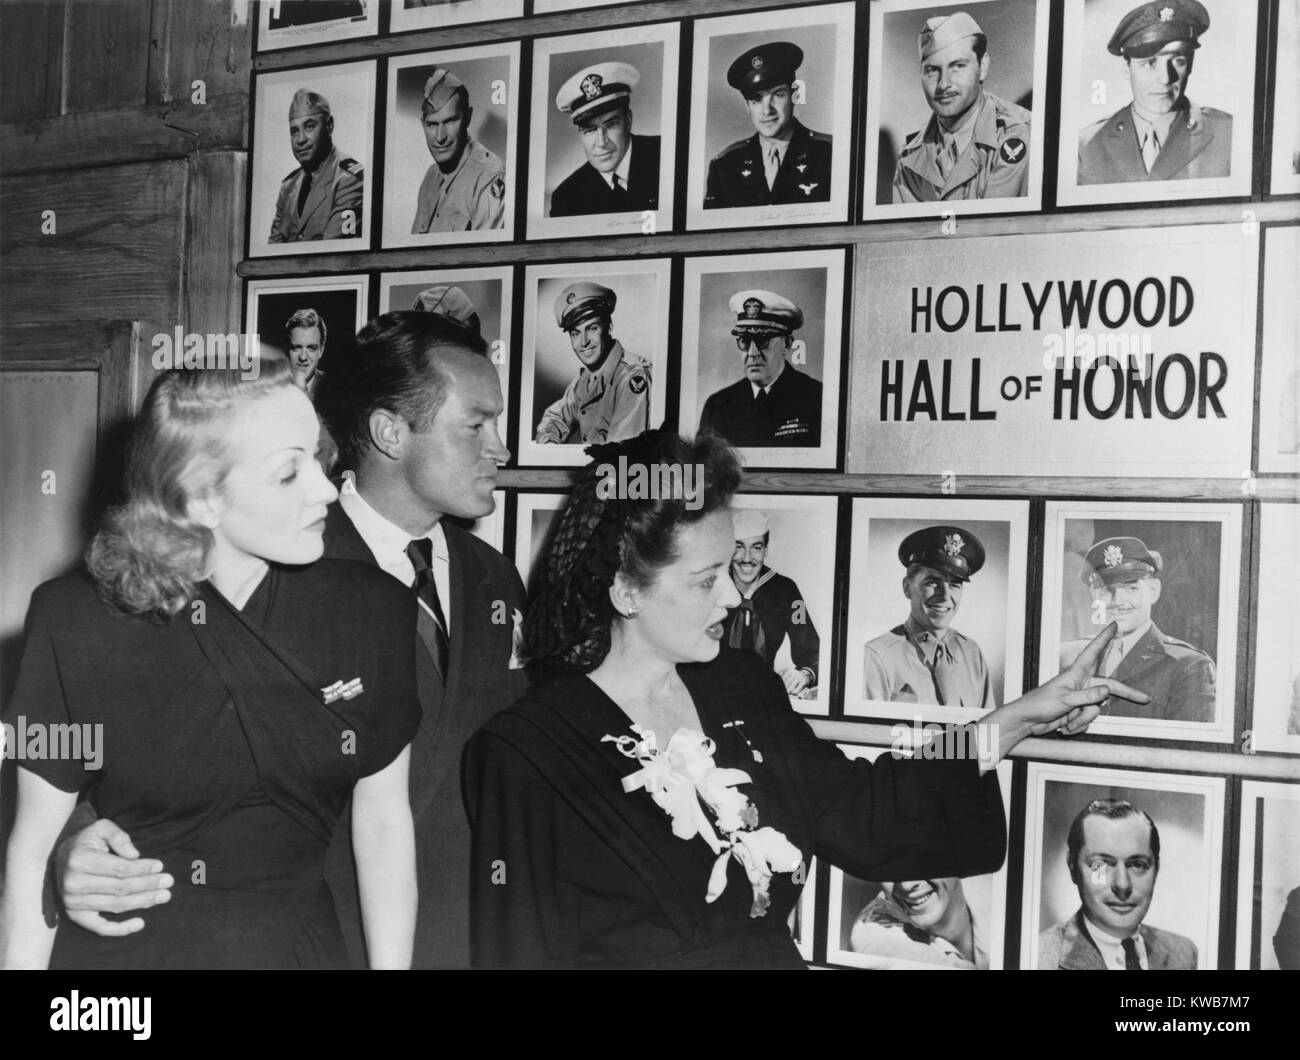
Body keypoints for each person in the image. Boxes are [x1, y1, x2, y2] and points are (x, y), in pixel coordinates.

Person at [464, 427, 1148, 968]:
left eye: (731, 571)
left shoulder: (739, 684)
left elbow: (862, 810)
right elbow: (517, 955)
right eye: (707, 580)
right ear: (625, 590)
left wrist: (1017, 718)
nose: (733, 598)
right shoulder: (527, 753)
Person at [51, 312, 529, 970]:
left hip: (457, 940)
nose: (500, 448)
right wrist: (68, 840)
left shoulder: (494, 580)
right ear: (391, 431)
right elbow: (76, 752)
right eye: (476, 425)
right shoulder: (239, 555)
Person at [1, 361, 418, 969]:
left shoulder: (371, 608)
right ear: (201, 497)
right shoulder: (71, 621)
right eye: (287, 473)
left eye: (318, 459)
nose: (327, 489)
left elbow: (383, 827)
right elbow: (33, 845)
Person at [1059, 535, 1215, 723]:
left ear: (1153, 591)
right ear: (1094, 595)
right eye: (1106, 590)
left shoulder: (1188, 666)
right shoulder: (1065, 657)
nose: (1117, 602)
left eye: (1131, 588)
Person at [1078, 0, 1232, 185]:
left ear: (1191, 64)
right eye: (1149, 63)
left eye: (1178, 60)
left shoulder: (1228, 134)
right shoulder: (1087, 146)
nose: (1166, 78)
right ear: (1127, 69)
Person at [1039, 798, 1198, 970]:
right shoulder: (1040, 957)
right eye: (1100, 865)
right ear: (1072, 868)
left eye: (1137, 864)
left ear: (1156, 869)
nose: (1122, 885)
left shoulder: (1184, 953)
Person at [891, 11, 1032, 203]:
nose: (943, 84)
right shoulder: (910, 156)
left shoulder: (1019, 133)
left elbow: (990, 228)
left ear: (982, 66)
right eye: (932, 70)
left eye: (957, 66)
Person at [863, 526, 995, 710]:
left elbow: (987, 732)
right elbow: (869, 735)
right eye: (933, 582)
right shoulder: (877, 657)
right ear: (908, 588)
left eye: (955, 585)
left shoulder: (972, 653)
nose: (945, 596)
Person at [704, 42, 833, 209]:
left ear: (795, 96)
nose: (766, 110)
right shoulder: (724, 165)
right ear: (747, 107)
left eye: (778, 95)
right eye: (756, 100)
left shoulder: (831, 153)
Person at [698, 289, 821, 447]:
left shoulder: (816, 398)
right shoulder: (718, 406)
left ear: (787, 344)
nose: (752, 353)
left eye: (763, 340)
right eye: (745, 341)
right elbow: (703, 468)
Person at [535, 281, 651, 445]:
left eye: (592, 328)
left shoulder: (632, 377)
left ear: (608, 327)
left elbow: (620, 456)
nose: (583, 342)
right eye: (575, 333)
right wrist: (549, 443)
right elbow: (555, 417)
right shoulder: (585, 379)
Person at [721, 508, 819, 698]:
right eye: (739, 547)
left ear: (766, 550)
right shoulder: (713, 586)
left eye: (756, 548)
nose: (747, 558)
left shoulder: (786, 590)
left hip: (761, 693)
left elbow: (812, 650)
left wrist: (805, 674)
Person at [549, 61, 661, 216]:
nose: (601, 143)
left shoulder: (667, 154)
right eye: (590, 130)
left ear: (628, 121)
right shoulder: (567, 199)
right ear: (580, 133)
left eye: (611, 125)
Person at [410, 68, 506, 235]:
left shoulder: (488, 175)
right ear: (423, 124)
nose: (440, 137)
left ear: (468, 117)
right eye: (432, 124)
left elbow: (486, 254)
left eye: (450, 121)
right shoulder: (430, 176)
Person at [269, 89, 364, 243]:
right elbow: (272, 254)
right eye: (294, 131)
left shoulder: (349, 181)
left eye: (309, 126)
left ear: (329, 126)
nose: (300, 139)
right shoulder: (288, 187)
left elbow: (332, 254)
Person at [849, 877, 987, 969]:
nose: (906, 885)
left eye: (921, 860)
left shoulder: (994, 882)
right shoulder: (877, 937)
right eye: (888, 869)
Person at [285, 307, 326, 396]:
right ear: (287, 349)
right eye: (296, 347)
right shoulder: (271, 386)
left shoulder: (335, 388)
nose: (303, 357)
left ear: (321, 350)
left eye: (311, 348)